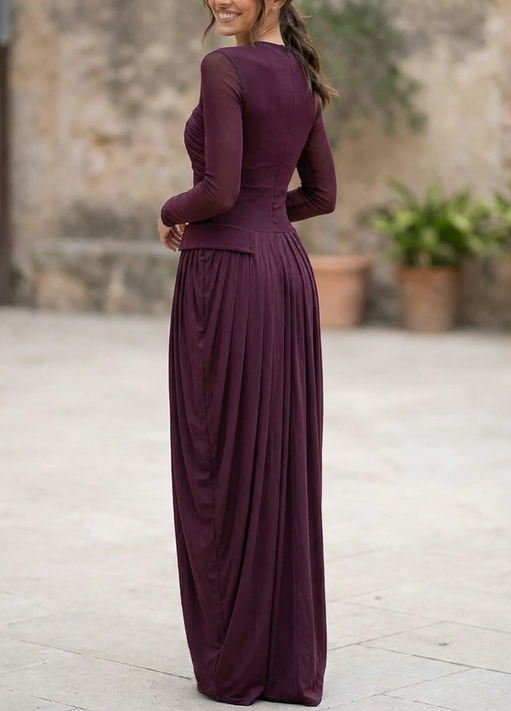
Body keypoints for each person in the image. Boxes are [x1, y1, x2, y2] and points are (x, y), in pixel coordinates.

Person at [157, 0, 337, 705]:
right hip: (284, 275)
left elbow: (217, 189)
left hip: (228, 278)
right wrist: (263, 219)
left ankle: (234, 662)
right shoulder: (301, 75)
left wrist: (170, 211)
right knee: (276, 458)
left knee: (219, 462)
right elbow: (321, 195)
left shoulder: (222, 67)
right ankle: (283, 662)